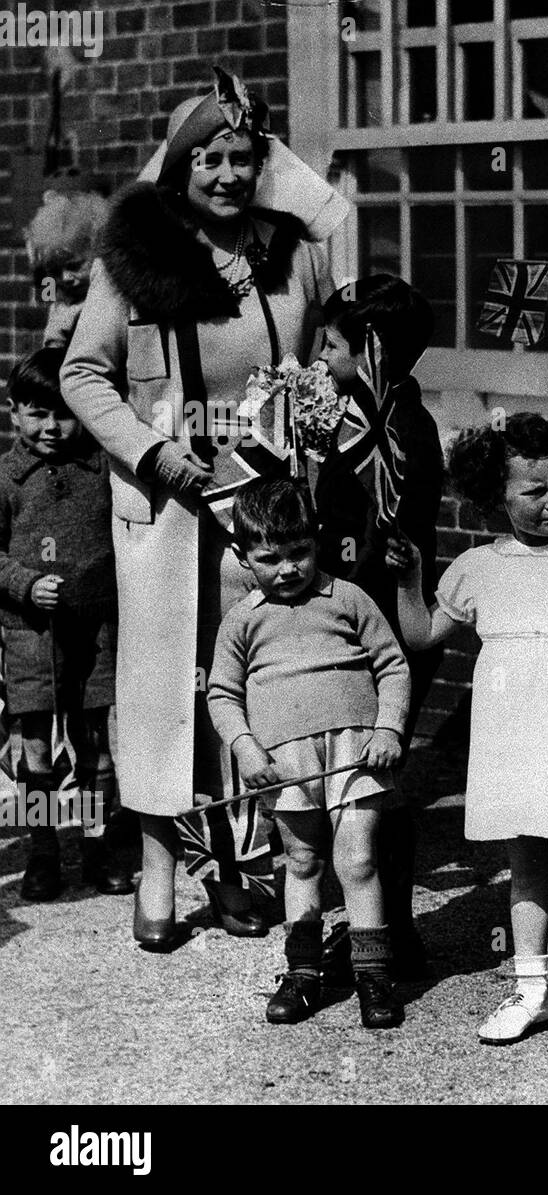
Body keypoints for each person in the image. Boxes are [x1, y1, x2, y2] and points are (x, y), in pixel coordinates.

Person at [61, 66, 345, 950]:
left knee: (250, 678)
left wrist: (315, 405)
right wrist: (155, 451)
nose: (227, 176)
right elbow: (83, 374)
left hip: (263, 506)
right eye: (209, 161)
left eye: (242, 158)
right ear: (180, 168)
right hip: (170, 509)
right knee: (164, 694)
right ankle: (158, 861)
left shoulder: (292, 250)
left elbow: (324, 351)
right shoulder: (134, 260)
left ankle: (243, 861)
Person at [389, 414, 548, 1058]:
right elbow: (420, 637)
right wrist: (408, 578)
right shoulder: (477, 568)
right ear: (496, 495)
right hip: (512, 734)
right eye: (534, 491)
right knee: (524, 865)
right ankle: (530, 988)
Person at [207, 480, 410, 1028]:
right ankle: (303, 974)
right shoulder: (243, 618)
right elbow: (222, 693)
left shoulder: (347, 598)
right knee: (303, 861)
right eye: (269, 558)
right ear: (242, 557)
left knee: (359, 860)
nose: (288, 569)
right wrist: (247, 749)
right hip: (287, 762)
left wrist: (388, 729)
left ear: (316, 541)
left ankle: (374, 976)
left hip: (354, 753)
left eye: (299, 552)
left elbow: (392, 664)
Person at [312, 273, 442, 981]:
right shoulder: (334, 418)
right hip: (337, 616)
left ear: (368, 349)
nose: (321, 359)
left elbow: (404, 527)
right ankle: (372, 923)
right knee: (350, 775)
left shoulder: (402, 429)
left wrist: (396, 552)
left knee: (375, 774)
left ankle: (387, 930)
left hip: (387, 622)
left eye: (332, 345)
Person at [0, 346, 132, 900]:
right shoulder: (7, 477)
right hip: (30, 635)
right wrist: (26, 583)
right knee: (36, 749)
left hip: (95, 631)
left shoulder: (103, 467)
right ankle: (43, 850)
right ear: (13, 413)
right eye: (37, 413)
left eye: (64, 412)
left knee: (95, 744)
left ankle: (96, 849)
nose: (52, 427)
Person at [23, 180, 110, 349]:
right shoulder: (60, 300)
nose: (66, 278)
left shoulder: (106, 302)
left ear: (98, 253)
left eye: (75, 266)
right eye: (55, 271)